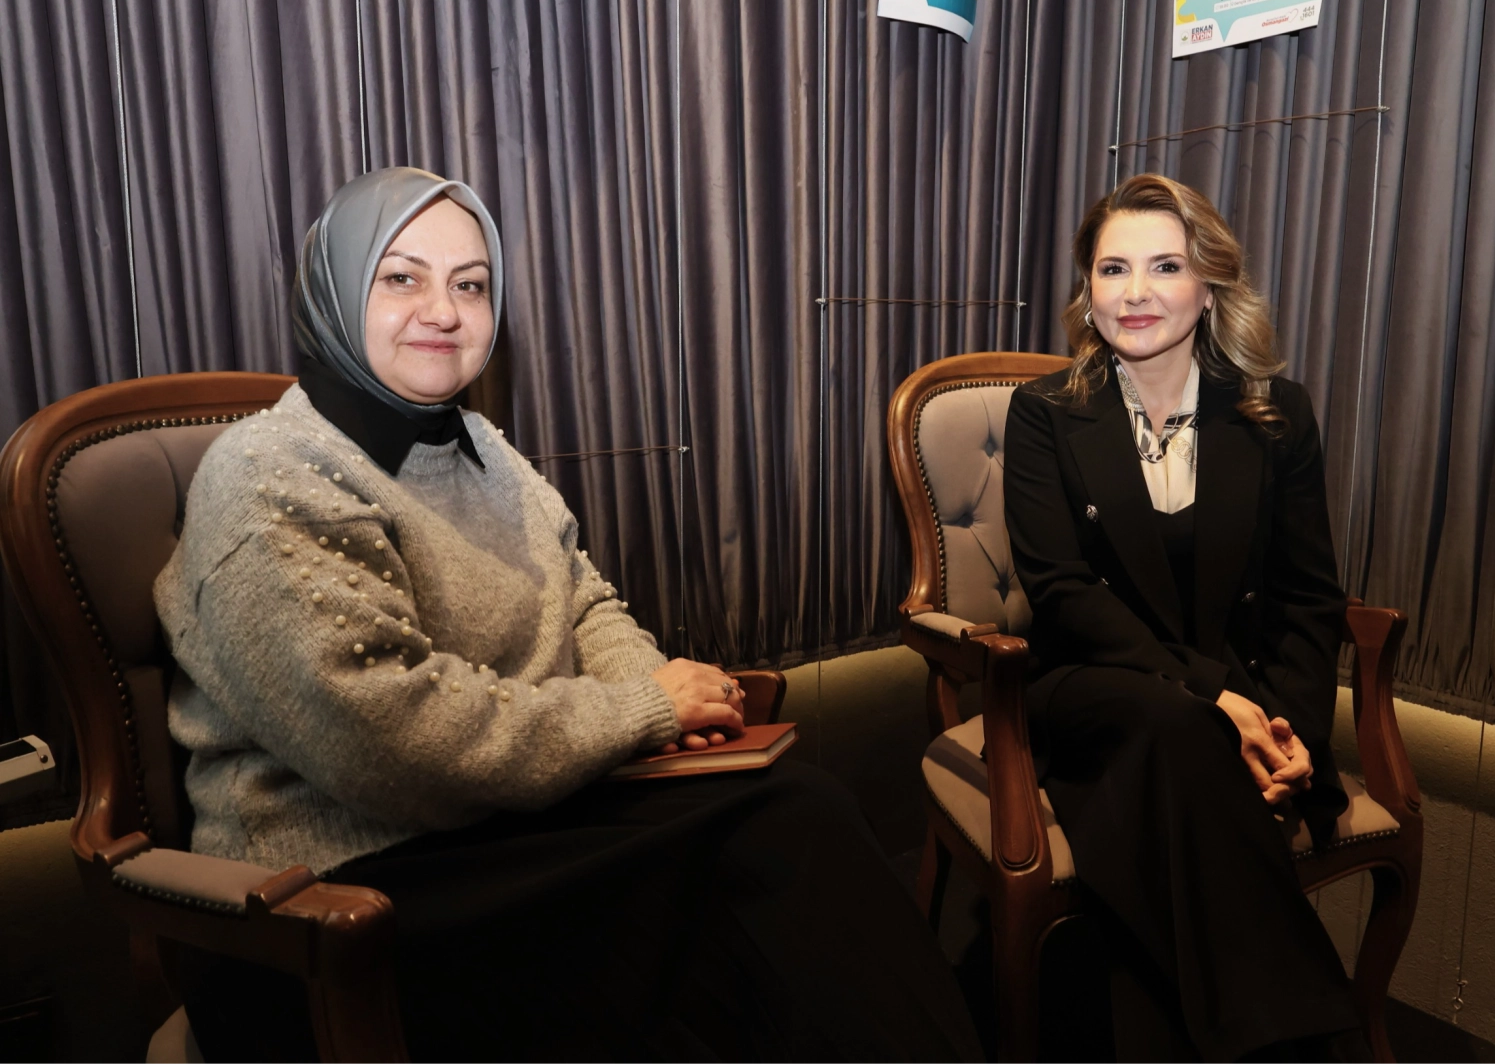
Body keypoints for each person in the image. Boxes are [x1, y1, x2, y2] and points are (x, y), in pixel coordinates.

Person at [155, 167, 983, 1063]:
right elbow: (387, 741)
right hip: (329, 910)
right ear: (333, 292)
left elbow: (582, 600)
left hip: (502, 835)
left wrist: (668, 705)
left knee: (794, 816)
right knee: (762, 885)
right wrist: (646, 710)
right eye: (400, 277)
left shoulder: (476, 444)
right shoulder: (270, 473)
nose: (443, 311)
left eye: (471, 285)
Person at [1002, 173, 1370, 1063]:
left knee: (1172, 768)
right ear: (1087, 291)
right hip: (1086, 686)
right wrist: (1216, 698)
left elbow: (1307, 596)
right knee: (1175, 724)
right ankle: (1315, 1043)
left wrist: (1292, 733)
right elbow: (1063, 593)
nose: (1135, 292)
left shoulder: (1277, 412)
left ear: (1210, 285)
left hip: (1227, 703)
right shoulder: (1046, 412)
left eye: (1165, 266)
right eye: (1112, 269)